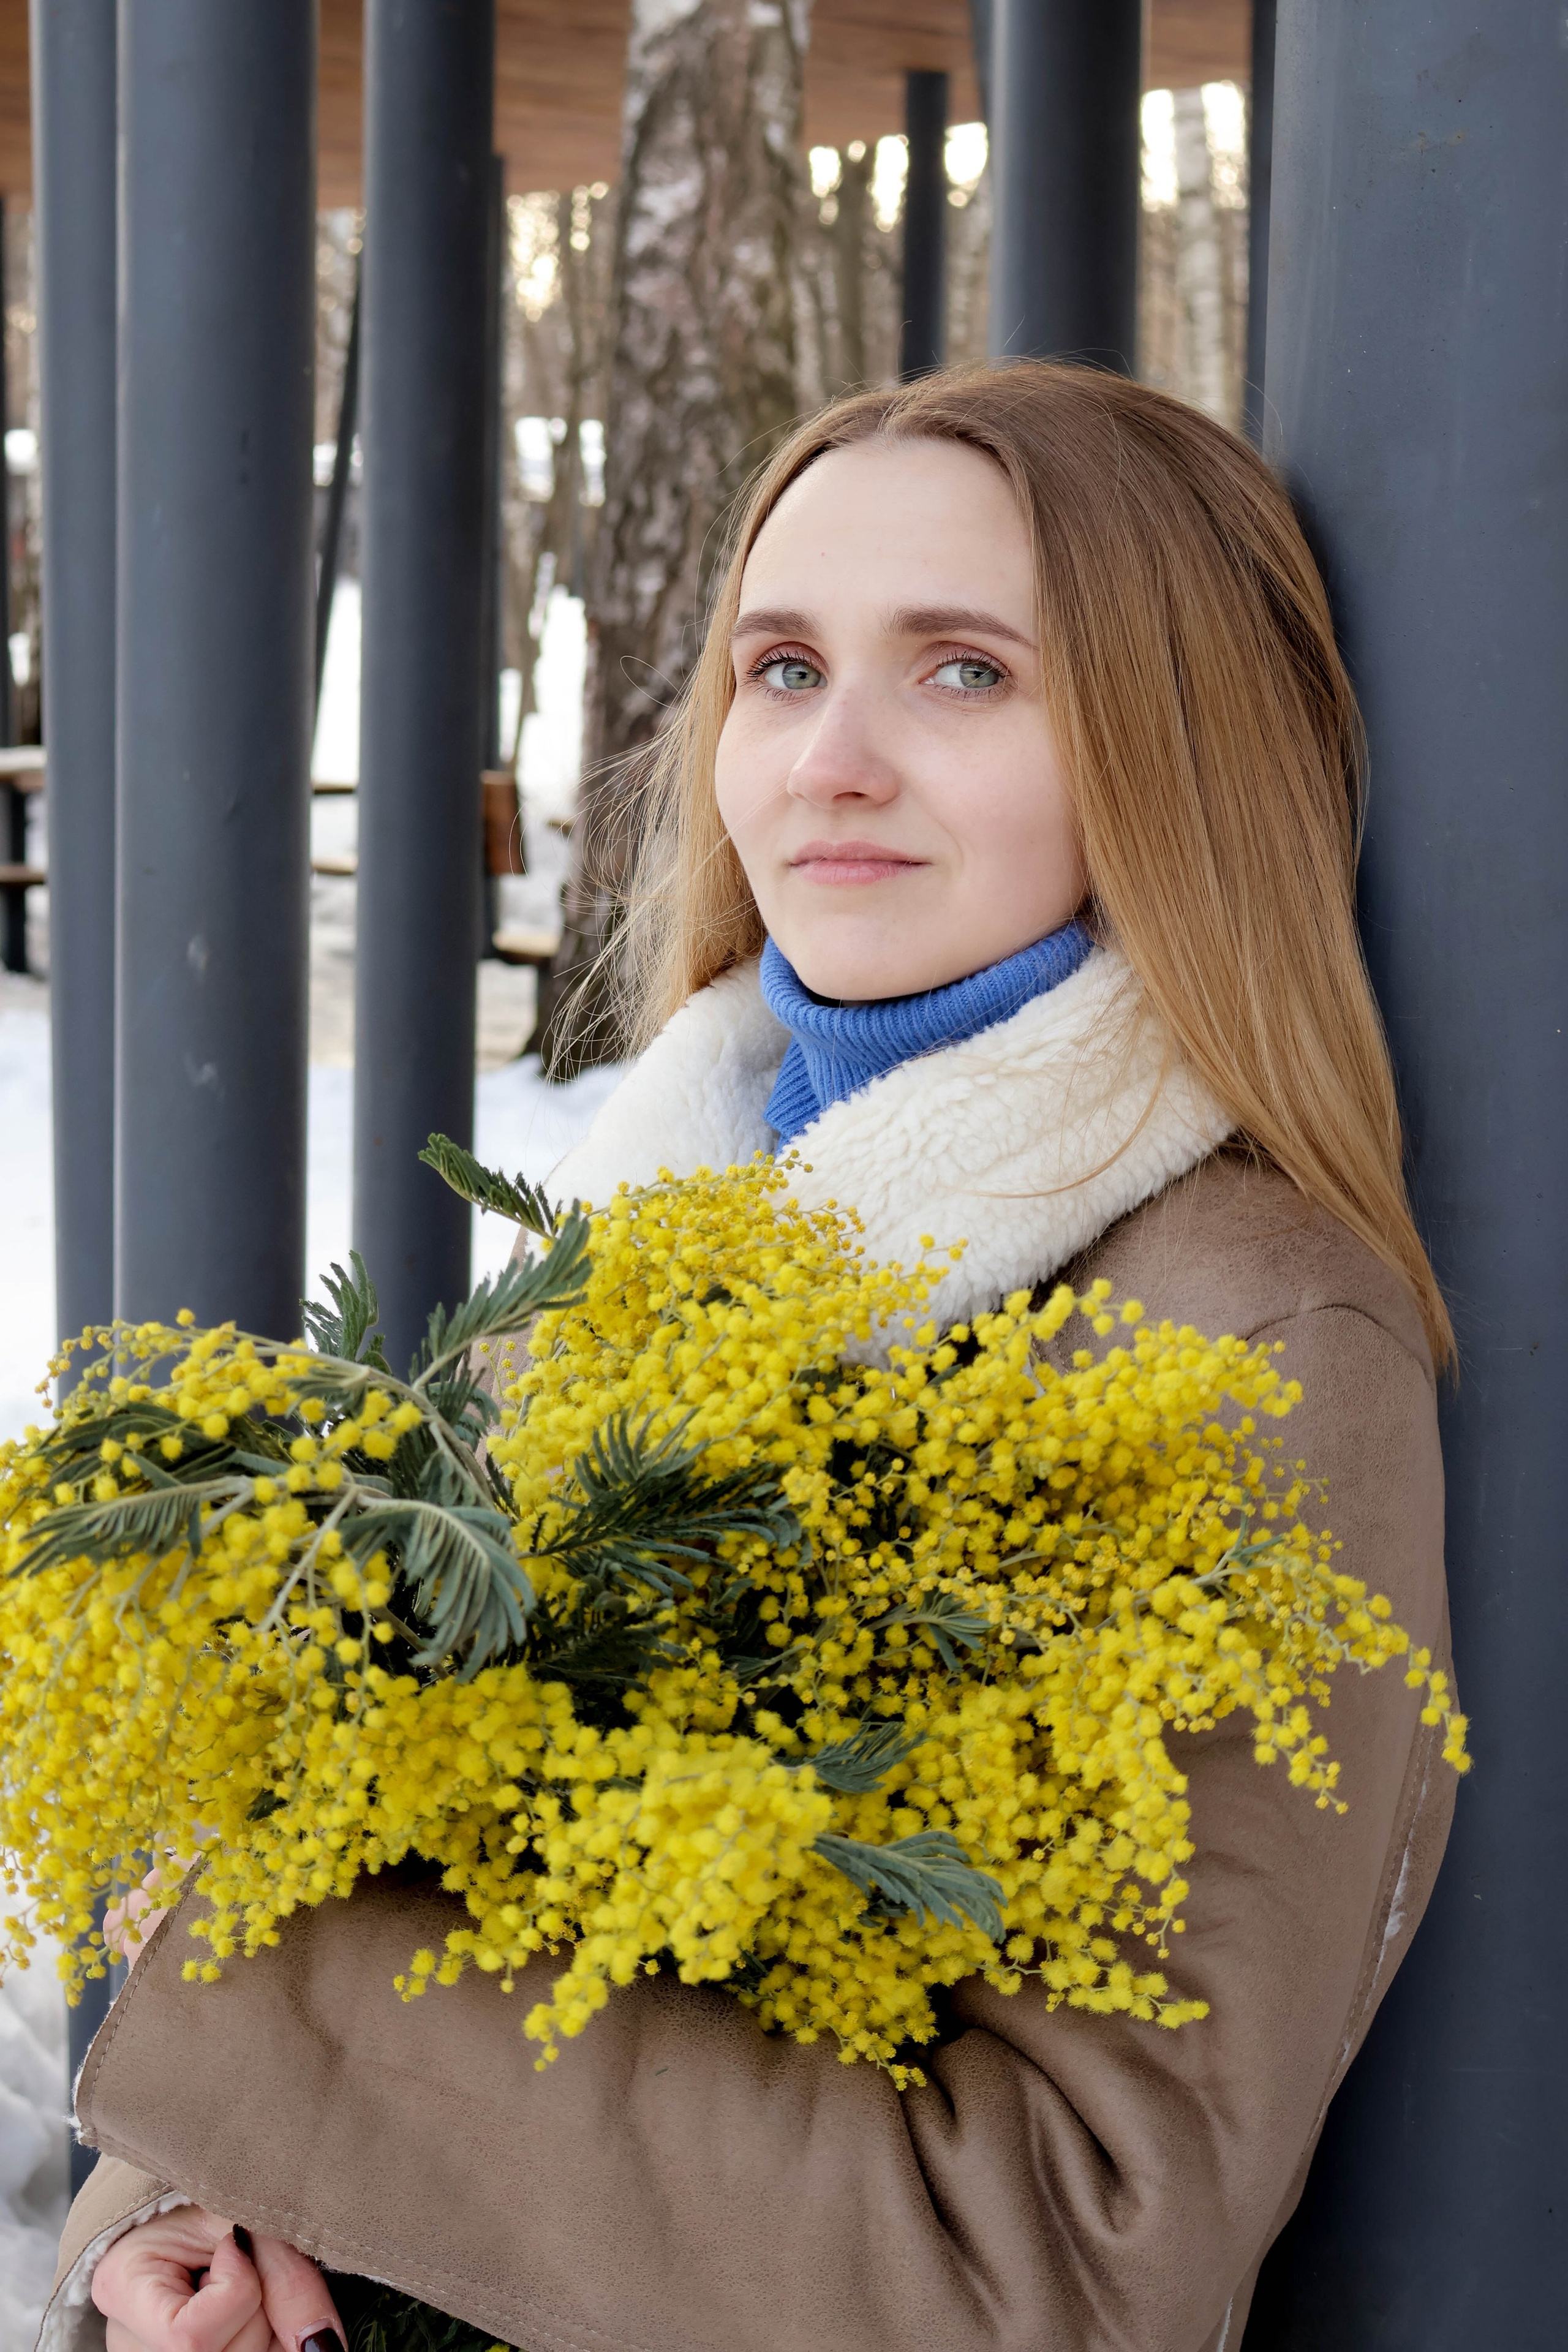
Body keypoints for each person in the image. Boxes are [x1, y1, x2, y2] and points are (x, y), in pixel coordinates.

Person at [52, 363, 1456, 2352]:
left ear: (1177, 744)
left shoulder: (1239, 1342)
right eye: (781, 667)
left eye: (966, 673)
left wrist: (269, 2020)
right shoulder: (655, 1208)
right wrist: (179, 2218)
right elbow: (399, 1888)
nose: (830, 763)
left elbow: (1063, 2264)